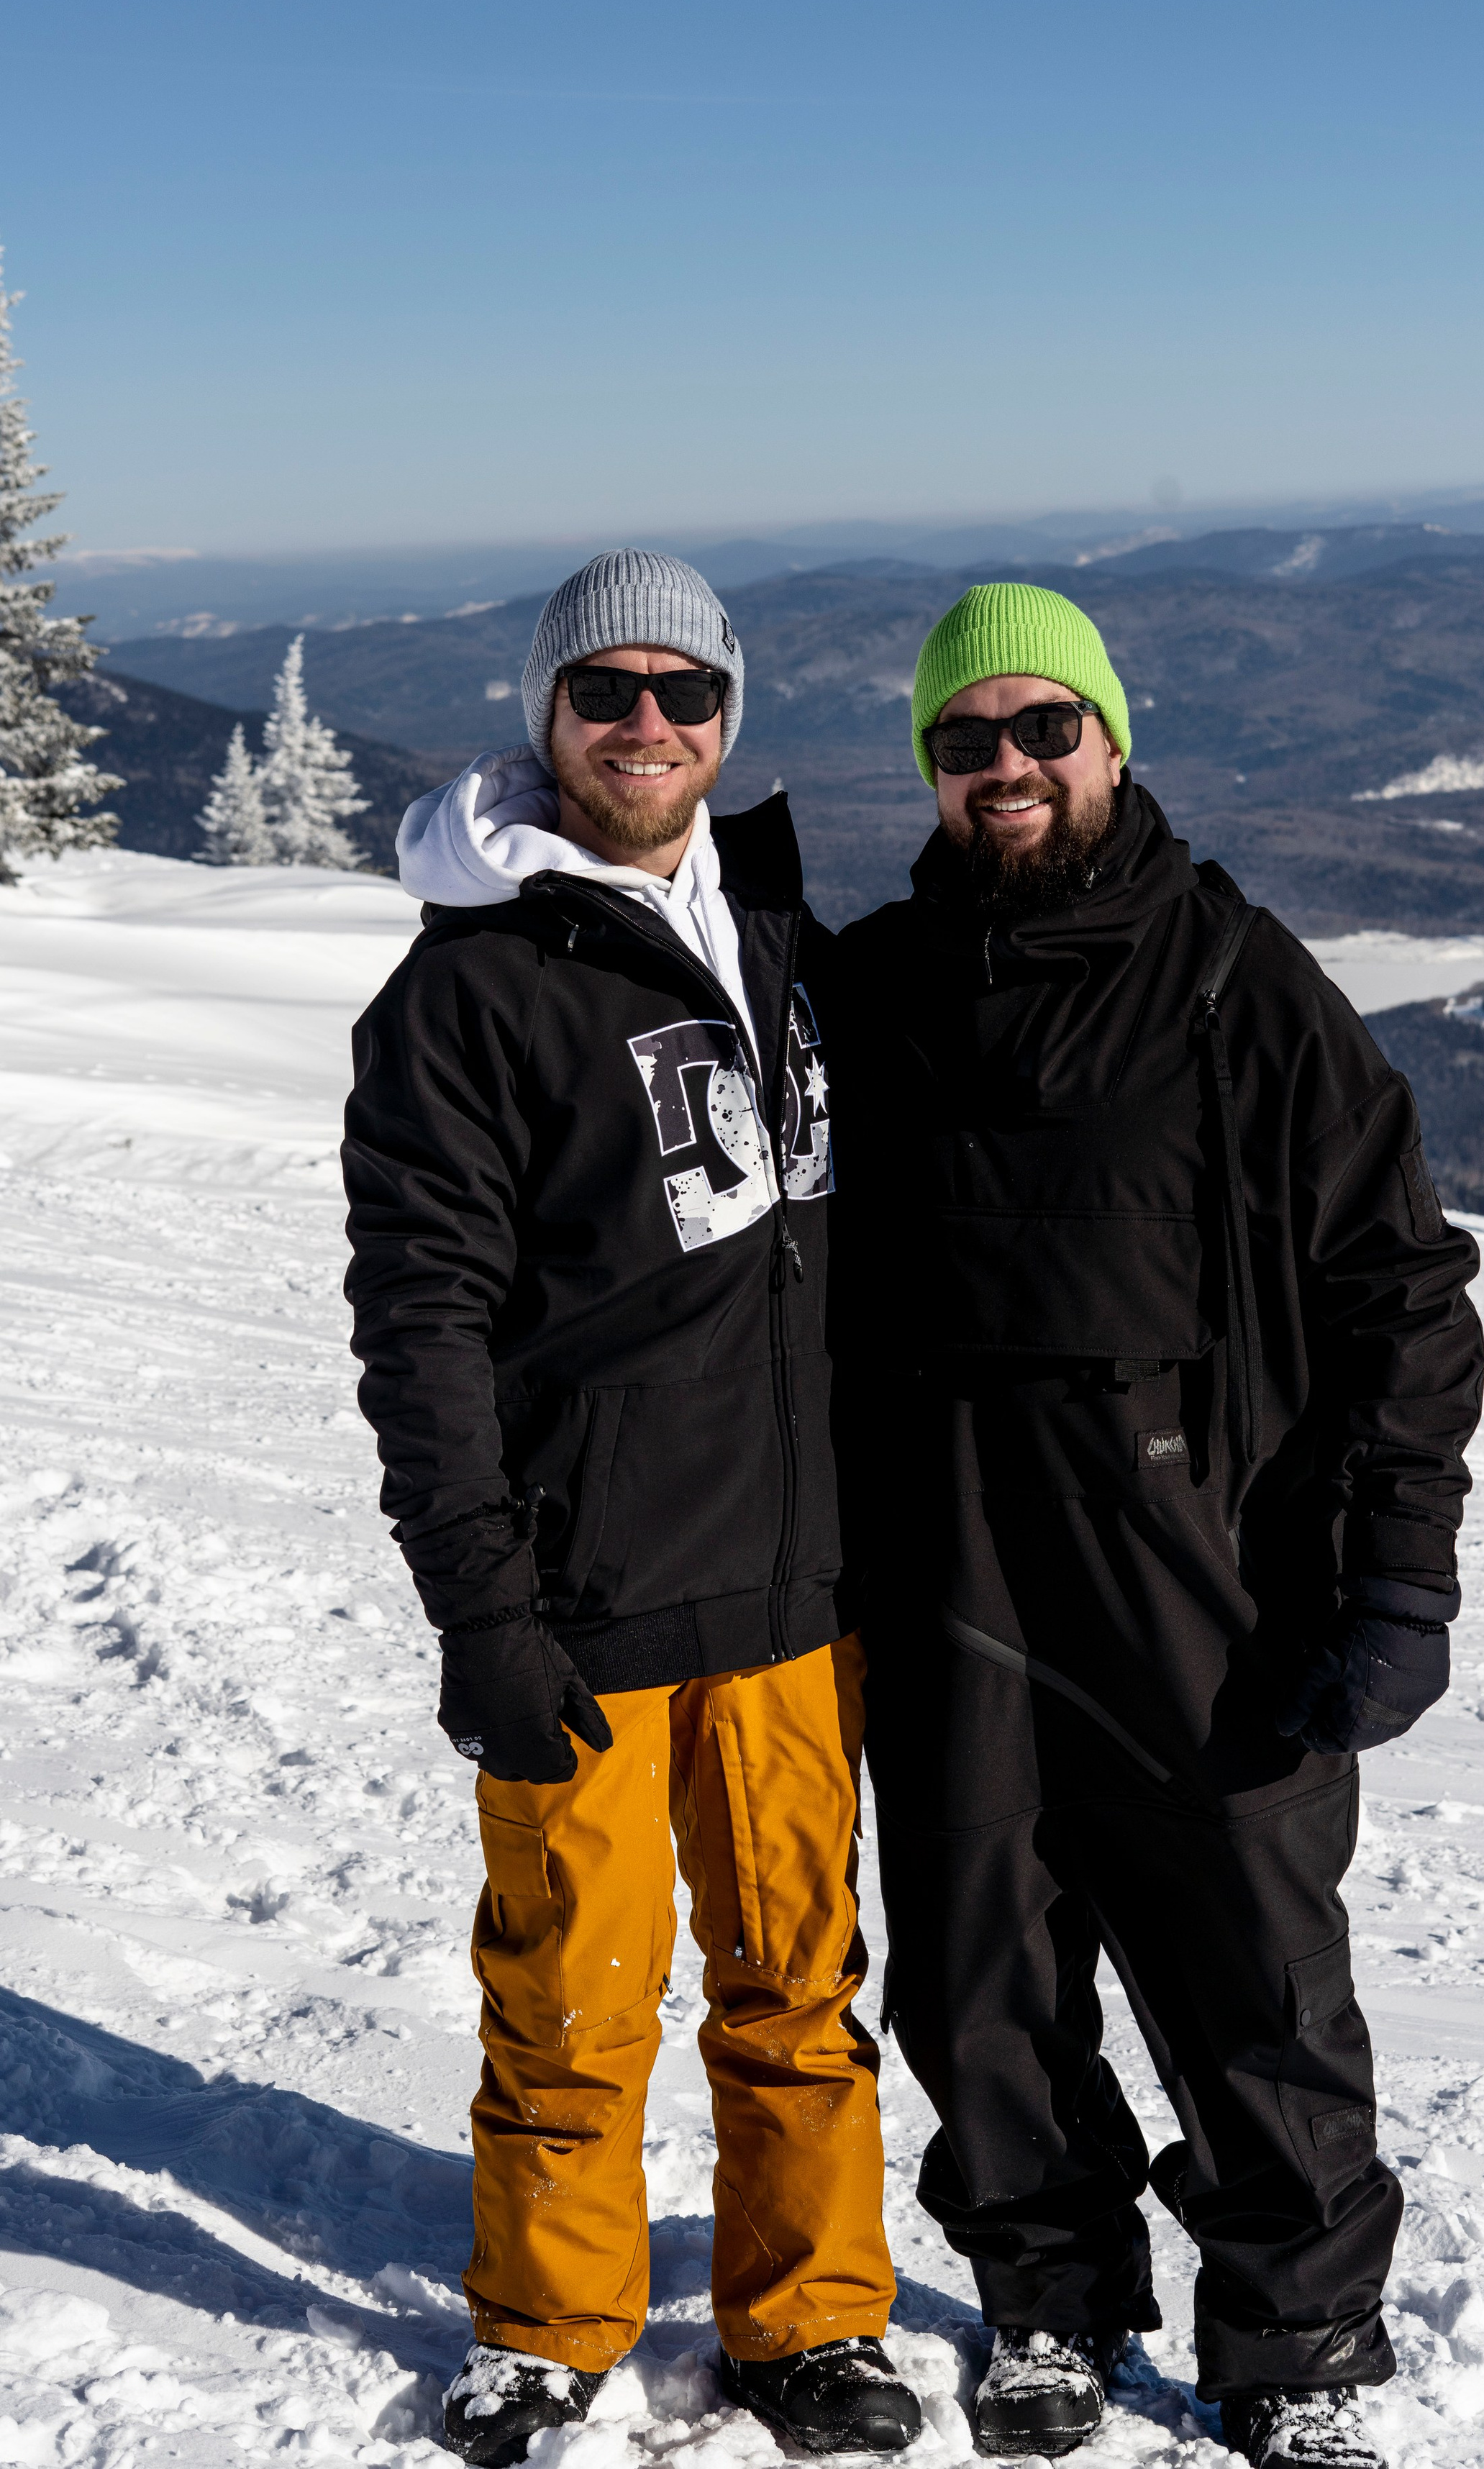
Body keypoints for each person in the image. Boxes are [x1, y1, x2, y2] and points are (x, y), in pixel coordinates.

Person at [832, 582, 1484, 2469]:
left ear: (1113, 742)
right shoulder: (869, 993)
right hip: (950, 1566)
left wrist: (1401, 1570)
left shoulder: (1236, 980)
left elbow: (1403, 1290)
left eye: (1048, 728)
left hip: (1208, 1577)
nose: (1010, 766)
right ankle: (1047, 2299)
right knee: (982, 1973)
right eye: (968, 739)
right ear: (929, 770)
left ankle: (1301, 2346)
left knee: (1254, 1976)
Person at [342, 552, 922, 2468]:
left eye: (687, 692)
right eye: (607, 692)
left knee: (801, 1986)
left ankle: (814, 2317)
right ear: (549, 715)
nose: (648, 724)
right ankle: (545, 2323)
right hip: (585, 1597)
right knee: (573, 1995)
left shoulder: (777, 934)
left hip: (795, 1585)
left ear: (730, 716)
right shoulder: (468, 992)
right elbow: (421, 1329)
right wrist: (481, 1612)